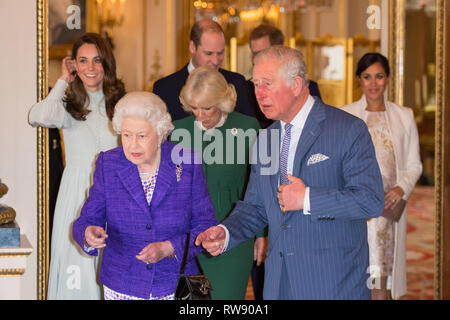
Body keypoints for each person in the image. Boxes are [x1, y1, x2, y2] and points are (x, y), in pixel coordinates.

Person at [195, 46, 385, 300]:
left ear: (296, 85)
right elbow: (255, 207)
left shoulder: (348, 130)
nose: (259, 93)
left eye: (268, 84)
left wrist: (307, 198)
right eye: (256, 84)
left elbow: (370, 201)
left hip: (332, 283)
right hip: (279, 283)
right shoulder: (265, 139)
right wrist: (226, 232)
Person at [72, 91, 218, 300]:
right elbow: (85, 220)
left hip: (174, 284)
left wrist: (169, 247)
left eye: (142, 136)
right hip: (122, 283)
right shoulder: (108, 164)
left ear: (160, 134)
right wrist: (88, 232)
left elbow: (205, 224)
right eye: (126, 135)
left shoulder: (186, 162)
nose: (132, 145)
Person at [28, 33, 126, 300]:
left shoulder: (120, 104)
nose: (90, 67)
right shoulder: (67, 105)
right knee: (78, 270)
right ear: (75, 65)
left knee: (110, 265)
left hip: (114, 192)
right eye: (83, 61)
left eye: (96, 60)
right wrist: (63, 80)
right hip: (76, 193)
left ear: (106, 63)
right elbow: (37, 116)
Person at [170, 66, 263, 299]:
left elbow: (259, 185)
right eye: (194, 108)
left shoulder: (247, 127)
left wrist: (261, 233)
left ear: (222, 101)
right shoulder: (179, 130)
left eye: (207, 107)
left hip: (233, 235)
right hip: (190, 239)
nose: (199, 115)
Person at [341, 53, 422, 300]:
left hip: (387, 210)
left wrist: (401, 189)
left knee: (380, 280)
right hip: (356, 210)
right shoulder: (346, 115)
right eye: (367, 77)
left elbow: (414, 164)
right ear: (359, 80)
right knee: (355, 277)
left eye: (379, 76)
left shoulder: (403, 116)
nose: (373, 84)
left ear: (387, 79)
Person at [153, 18, 256, 121]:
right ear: (192, 47)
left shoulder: (237, 83)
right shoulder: (164, 88)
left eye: (220, 53)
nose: (215, 61)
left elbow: (250, 129)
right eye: (208, 53)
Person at [248, 24, 322, 128]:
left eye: (263, 52)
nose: (256, 58)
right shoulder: (244, 88)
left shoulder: (307, 87)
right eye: (254, 53)